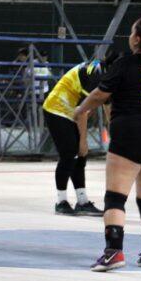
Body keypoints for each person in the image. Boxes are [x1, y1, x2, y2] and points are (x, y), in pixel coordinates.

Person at [75, 18, 141, 272]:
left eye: (132, 32)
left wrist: (80, 110)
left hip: (130, 130)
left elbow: (100, 94)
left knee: (115, 196)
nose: (129, 36)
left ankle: (113, 252)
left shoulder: (125, 64)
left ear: (137, 39)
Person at [42, 52, 118, 216]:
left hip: (71, 111)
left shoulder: (105, 73)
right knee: (70, 153)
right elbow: (81, 111)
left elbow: (107, 106)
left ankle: (82, 201)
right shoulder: (96, 75)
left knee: (80, 157)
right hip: (57, 109)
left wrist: (115, 131)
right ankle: (61, 202)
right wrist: (83, 141)